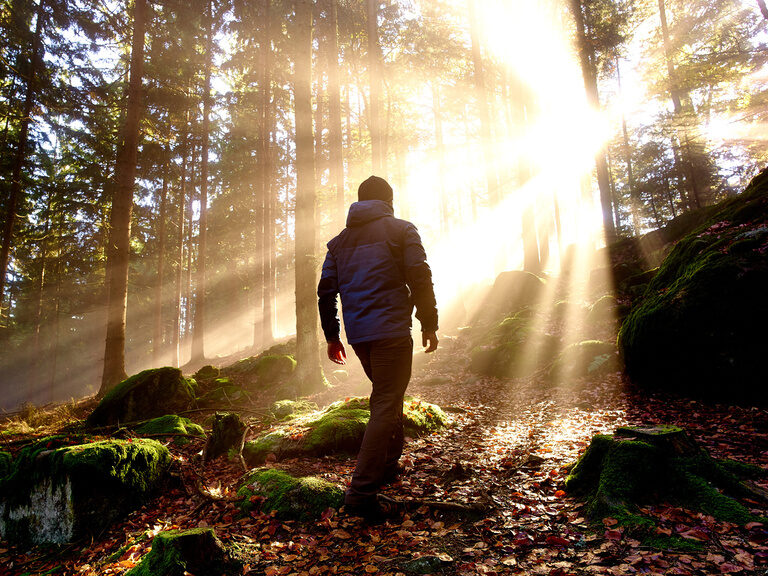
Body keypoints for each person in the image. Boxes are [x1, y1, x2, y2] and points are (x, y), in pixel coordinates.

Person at [317, 175, 439, 522]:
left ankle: (388, 463)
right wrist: (428, 321)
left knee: (388, 394)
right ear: (388, 200)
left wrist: (332, 335)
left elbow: (326, 292)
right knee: (386, 400)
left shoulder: (338, 243)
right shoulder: (402, 230)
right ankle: (361, 494)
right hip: (392, 332)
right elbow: (420, 275)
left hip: (361, 337)